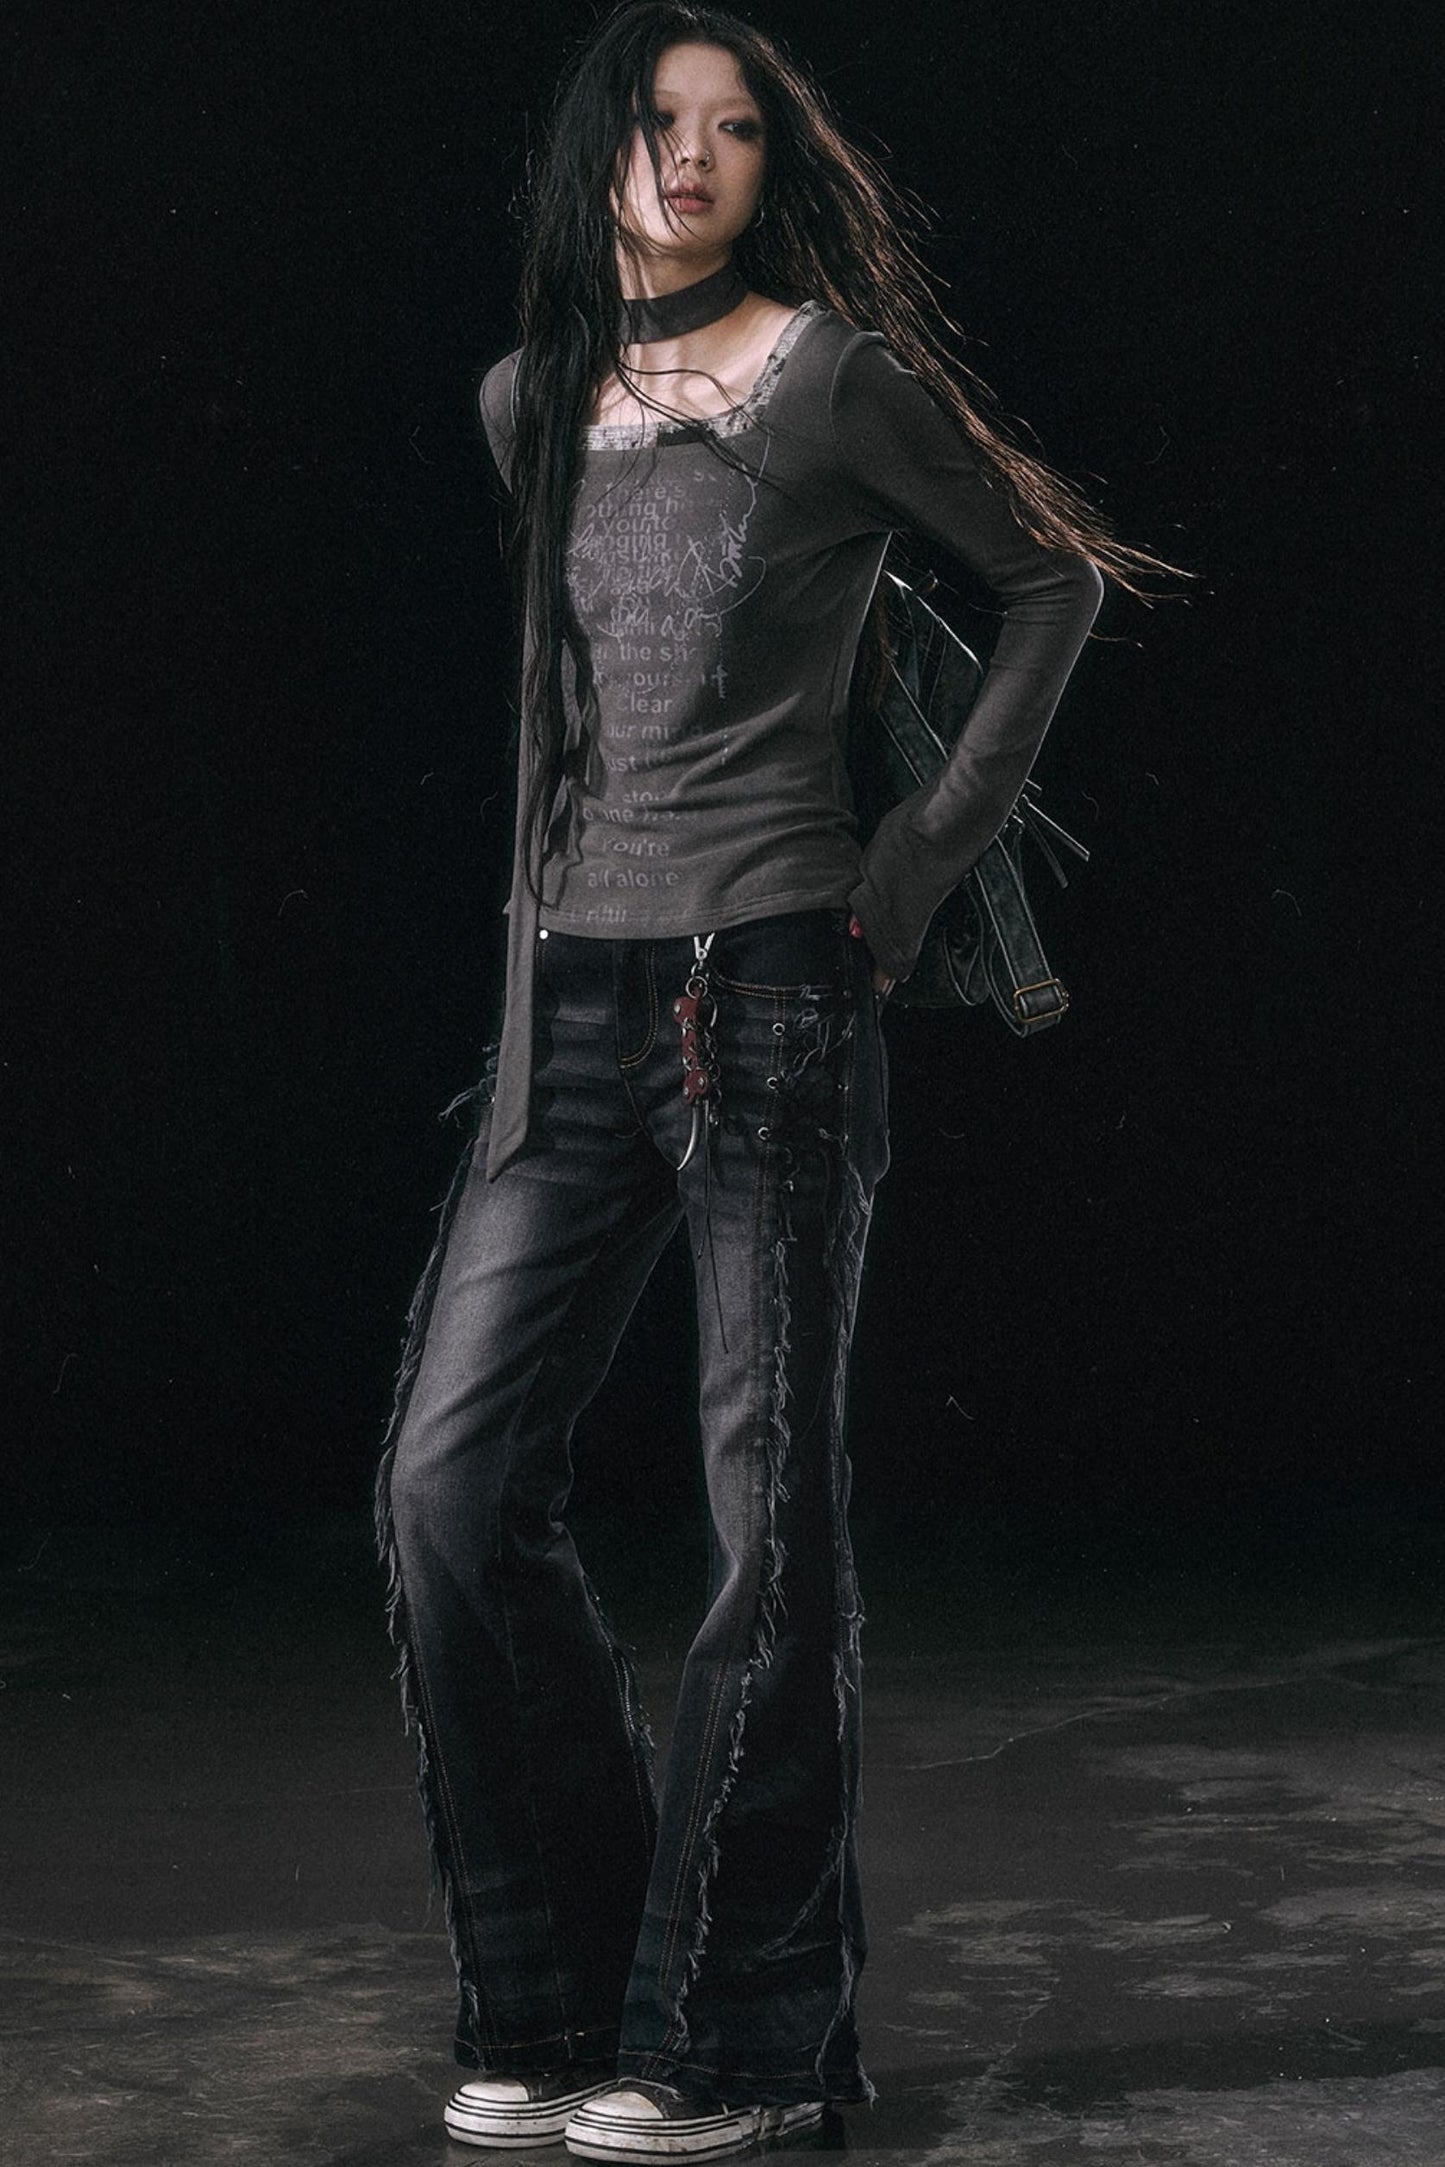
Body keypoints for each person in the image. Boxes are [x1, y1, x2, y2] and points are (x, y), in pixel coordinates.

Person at [375, 4, 1161, 2156]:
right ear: (595, 156)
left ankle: (736, 2042)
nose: (694, 155)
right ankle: (561, 2006)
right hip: (570, 1006)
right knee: (450, 1491)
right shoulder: (530, 400)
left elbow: (1051, 584)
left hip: (774, 1000)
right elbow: (569, 728)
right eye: (658, 121)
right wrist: (530, 1000)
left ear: (767, 164)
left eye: (733, 126)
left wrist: (904, 874)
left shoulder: (830, 382)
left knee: (766, 1533)